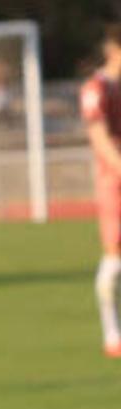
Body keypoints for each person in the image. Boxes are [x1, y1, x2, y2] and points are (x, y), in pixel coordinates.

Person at [81, 24, 121, 359]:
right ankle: (112, 333)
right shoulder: (96, 88)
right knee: (114, 256)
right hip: (115, 186)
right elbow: (100, 138)